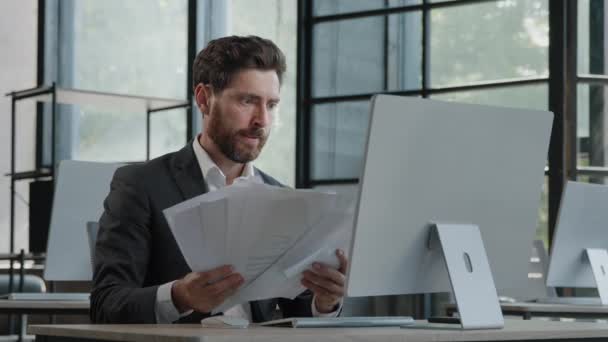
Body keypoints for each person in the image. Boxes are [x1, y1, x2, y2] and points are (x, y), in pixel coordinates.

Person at [90, 35, 348, 324]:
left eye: (271, 105)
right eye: (247, 101)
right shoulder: (141, 185)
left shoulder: (281, 197)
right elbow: (106, 305)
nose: (262, 120)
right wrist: (179, 297)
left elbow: (297, 312)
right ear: (204, 99)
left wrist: (325, 303)